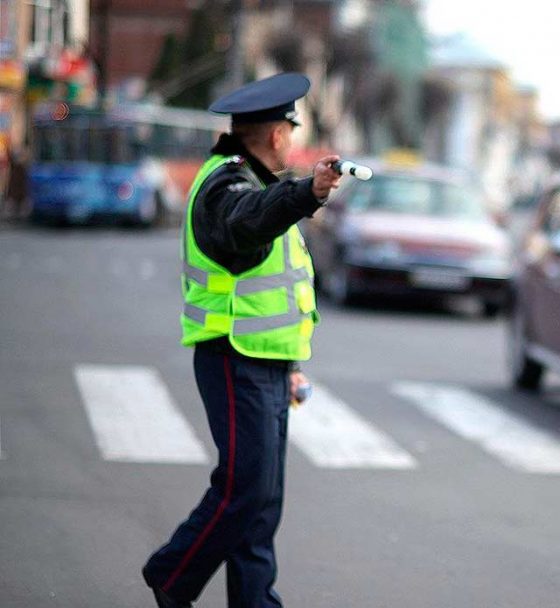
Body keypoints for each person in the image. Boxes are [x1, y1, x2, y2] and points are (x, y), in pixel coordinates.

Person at [141, 72, 343, 608]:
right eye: (290, 130)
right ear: (278, 134)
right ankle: (172, 573)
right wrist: (306, 194)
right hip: (233, 358)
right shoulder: (224, 186)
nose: (293, 140)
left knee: (261, 501)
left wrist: (292, 364)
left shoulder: (254, 182)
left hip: (267, 362)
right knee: (244, 491)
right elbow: (247, 224)